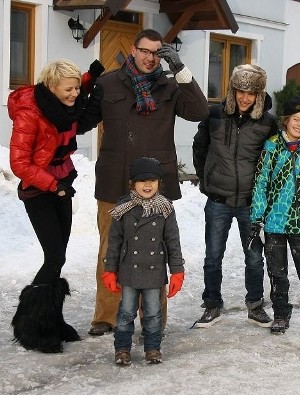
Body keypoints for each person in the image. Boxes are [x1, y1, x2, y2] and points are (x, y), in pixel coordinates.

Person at [88, 29, 209, 336]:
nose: (150, 58)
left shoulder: (170, 85)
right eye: (145, 50)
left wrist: (180, 69)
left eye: (157, 53)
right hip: (116, 178)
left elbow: (199, 111)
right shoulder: (109, 83)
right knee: (111, 248)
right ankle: (107, 316)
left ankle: (154, 320)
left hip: (157, 182)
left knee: (155, 251)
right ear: (133, 49)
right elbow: (80, 119)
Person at [8, 59, 102, 350]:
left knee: (59, 256)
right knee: (53, 256)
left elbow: (78, 88)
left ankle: (52, 320)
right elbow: (19, 163)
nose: (75, 94)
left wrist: (89, 78)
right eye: (69, 89)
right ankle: (30, 324)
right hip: (40, 190)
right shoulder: (29, 113)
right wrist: (53, 185)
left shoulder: (65, 106)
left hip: (62, 184)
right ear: (51, 87)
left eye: (76, 89)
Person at [191, 64, 278, 328]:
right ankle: (212, 304)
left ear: (259, 95)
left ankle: (254, 305)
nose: (244, 97)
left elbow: (273, 161)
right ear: (233, 90)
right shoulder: (214, 114)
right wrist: (206, 180)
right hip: (218, 200)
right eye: (240, 90)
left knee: (253, 257)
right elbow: (200, 147)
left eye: (250, 93)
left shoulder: (267, 123)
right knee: (212, 256)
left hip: (251, 203)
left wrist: (265, 194)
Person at [249, 96, 300, 336]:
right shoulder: (272, 146)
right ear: (286, 121)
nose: (299, 124)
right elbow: (261, 183)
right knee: (277, 272)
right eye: (295, 119)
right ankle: (280, 314)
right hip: (275, 221)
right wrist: (257, 218)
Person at [102, 157, 184, 365]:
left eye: (152, 181)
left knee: (153, 313)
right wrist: (110, 269)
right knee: (126, 312)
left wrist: (177, 271)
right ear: (133, 184)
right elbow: (115, 241)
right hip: (129, 270)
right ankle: (122, 348)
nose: (147, 185)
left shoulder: (165, 209)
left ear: (159, 183)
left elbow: (173, 241)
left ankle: (153, 348)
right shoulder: (124, 208)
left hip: (154, 271)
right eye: (142, 181)